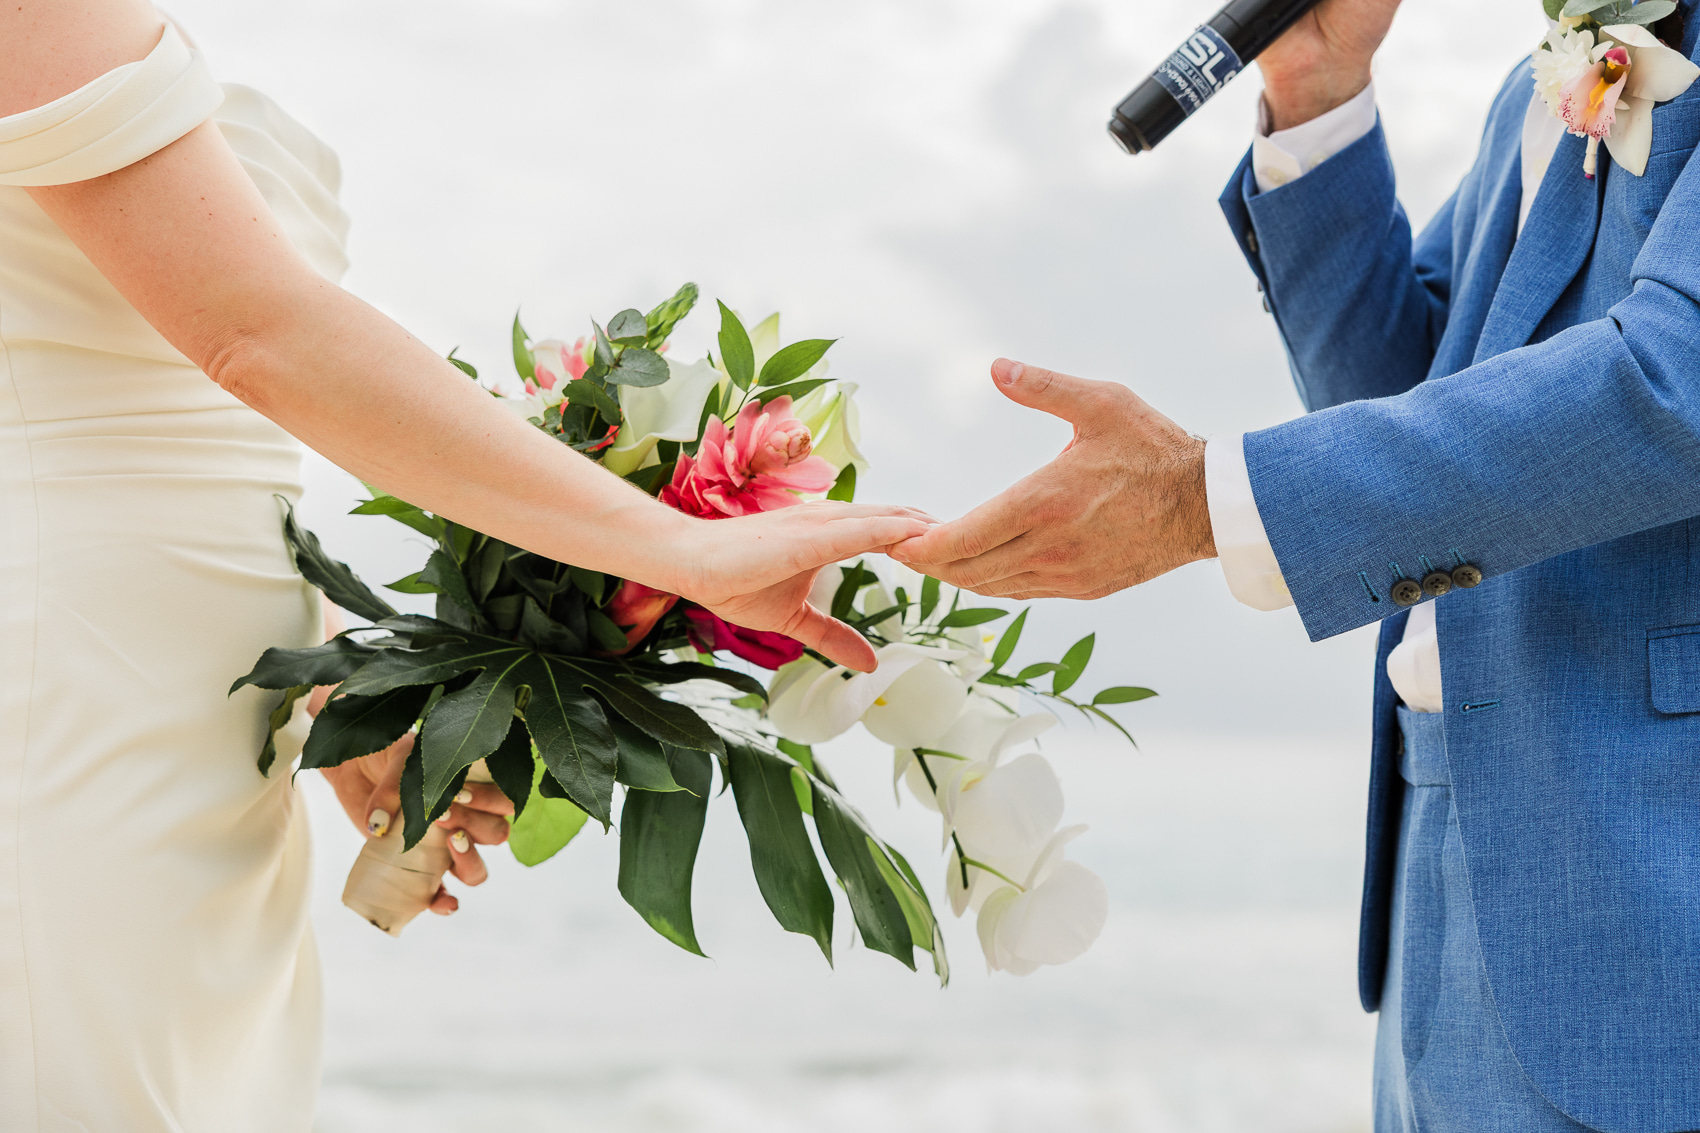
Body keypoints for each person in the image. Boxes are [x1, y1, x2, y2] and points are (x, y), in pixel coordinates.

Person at [0, 2, 930, 1128]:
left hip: (192, 720)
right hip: (67, 684)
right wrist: (680, 549)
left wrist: (321, 688)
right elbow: (256, 333)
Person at [896, 1, 1700, 1129]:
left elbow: (1667, 391)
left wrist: (1201, 501)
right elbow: (1403, 393)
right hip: (1449, 869)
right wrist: (1317, 94)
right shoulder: (1536, 88)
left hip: (1651, 898)